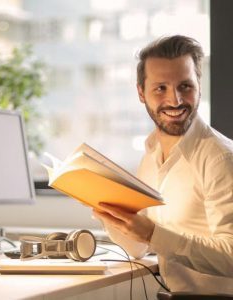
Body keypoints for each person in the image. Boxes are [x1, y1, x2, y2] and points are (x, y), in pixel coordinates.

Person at [93, 35, 233, 294]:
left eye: (185, 86)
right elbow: (138, 248)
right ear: (140, 93)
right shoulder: (150, 155)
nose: (175, 100)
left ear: (199, 86)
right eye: (161, 88)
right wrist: (107, 211)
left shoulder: (221, 158)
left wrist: (153, 234)